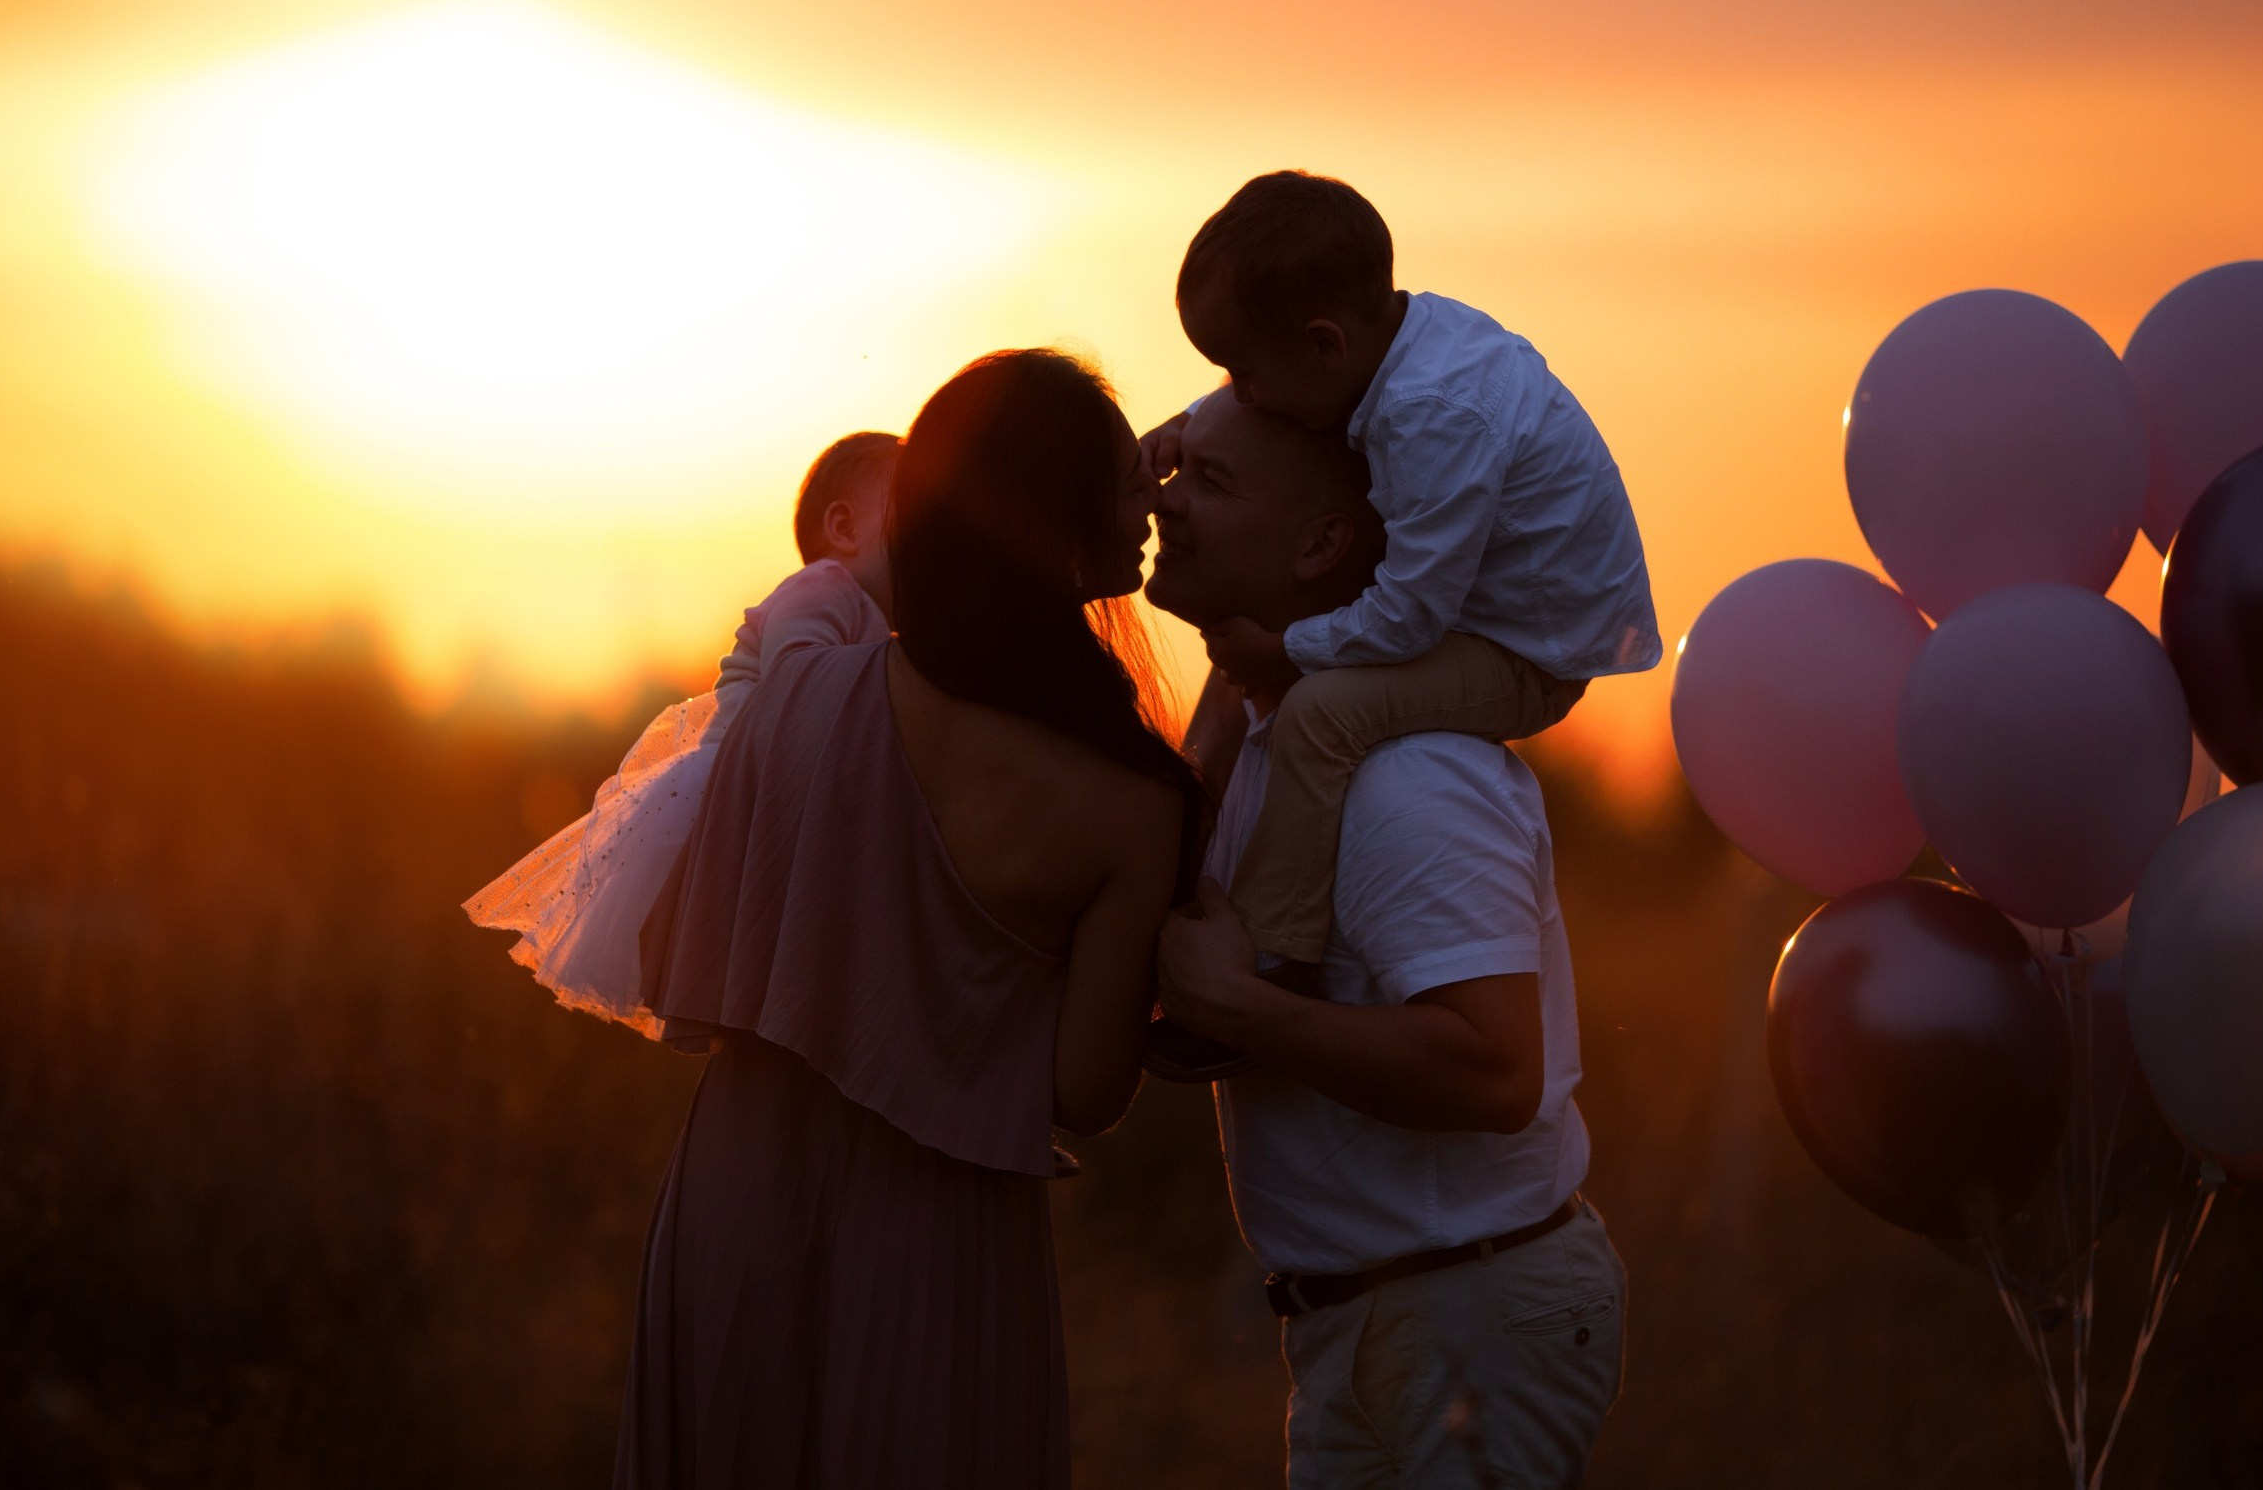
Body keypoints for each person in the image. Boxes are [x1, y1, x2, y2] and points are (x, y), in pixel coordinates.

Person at [615, 349, 1197, 1489]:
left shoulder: (800, 695)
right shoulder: (1133, 807)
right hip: (938, 1234)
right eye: (1119, 476)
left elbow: (697, 933)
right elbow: (1086, 1091)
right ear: (1054, 512)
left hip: (737, 1195)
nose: (1147, 496)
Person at [1147, 387, 1625, 1489]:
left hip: (1468, 1321)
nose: (1169, 501)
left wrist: (1241, 1009)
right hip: (1387, 1317)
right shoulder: (1267, 744)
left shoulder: (1406, 780)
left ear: (1322, 544)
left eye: (1209, 481)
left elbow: (1498, 1068)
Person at [1140, 171, 1657, 1075]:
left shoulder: (1432, 415)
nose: (1235, 390)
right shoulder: (1396, 346)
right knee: (1253, 686)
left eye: (1240, 375)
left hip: (1526, 651)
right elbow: (1297, 397)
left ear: (1322, 343)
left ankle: (1273, 962)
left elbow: (1411, 616)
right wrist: (1194, 427)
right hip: (1479, 615)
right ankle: (1184, 883)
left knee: (1322, 714)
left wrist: (1285, 645)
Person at [462, 430, 901, 1031]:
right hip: (745, 778)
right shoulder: (825, 588)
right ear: (845, 529)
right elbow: (805, 680)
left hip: (775, 778)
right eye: (911, 514)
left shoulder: (870, 612)